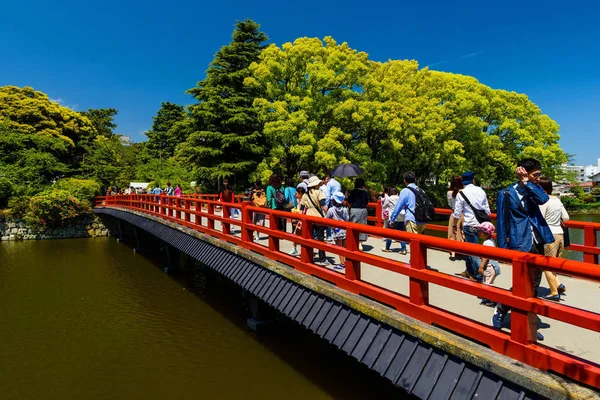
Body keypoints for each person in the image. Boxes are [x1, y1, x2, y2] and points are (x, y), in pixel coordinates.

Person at [491, 158, 554, 341]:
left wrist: (528, 182)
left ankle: (530, 322)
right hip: (519, 242)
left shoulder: (534, 189)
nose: (538, 178)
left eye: (539, 175)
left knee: (534, 284)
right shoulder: (505, 193)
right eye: (535, 175)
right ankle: (501, 310)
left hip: (537, 240)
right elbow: (502, 222)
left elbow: (544, 200)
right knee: (522, 283)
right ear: (523, 172)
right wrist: (503, 249)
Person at [453, 172, 491, 280]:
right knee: (469, 250)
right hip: (482, 225)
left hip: (470, 225)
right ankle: (469, 271)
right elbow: (487, 210)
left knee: (473, 251)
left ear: (463, 182)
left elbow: (457, 212)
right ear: (473, 180)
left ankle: (479, 275)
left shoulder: (462, 193)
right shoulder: (481, 191)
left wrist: (455, 226)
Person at [538, 178, 569, 300]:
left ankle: (554, 292)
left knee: (546, 264)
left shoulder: (544, 201)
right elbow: (566, 218)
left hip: (549, 234)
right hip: (560, 234)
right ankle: (558, 284)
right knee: (553, 263)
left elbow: (540, 219)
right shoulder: (558, 200)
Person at [390, 172, 429, 236]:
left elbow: (398, 206)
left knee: (413, 241)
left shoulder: (405, 191)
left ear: (404, 180)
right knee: (419, 242)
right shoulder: (421, 190)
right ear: (415, 180)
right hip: (423, 220)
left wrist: (392, 219)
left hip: (412, 219)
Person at [300, 176, 328, 262]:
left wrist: (300, 219)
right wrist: (328, 216)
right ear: (315, 184)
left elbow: (301, 208)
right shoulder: (319, 192)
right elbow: (323, 206)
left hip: (308, 217)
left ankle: (308, 256)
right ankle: (322, 258)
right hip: (318, 217)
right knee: (320, 238)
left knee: (309, 237)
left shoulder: (305, 194)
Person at [474, 222, 502, 306]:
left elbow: (486, 256)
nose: (478, 232)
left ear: (484, 233)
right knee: (489, 282)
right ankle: (489, 298)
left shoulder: (487, 243)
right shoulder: (491, 241)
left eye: (480, 231)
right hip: (493, 266)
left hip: (490, 266)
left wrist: (481, 267)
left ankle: (491, 300)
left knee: (487, 283)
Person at [326, 191, 349, 269]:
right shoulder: (345, 209)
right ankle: (346, 262)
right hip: (344, 230)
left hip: (336, 230)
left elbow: (327, 219)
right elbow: (347, 219)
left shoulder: (331, 210)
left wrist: (331, 226)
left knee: (339, 248)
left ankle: (342, 263)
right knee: (345, 247)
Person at [382, 188, 408, 254]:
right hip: (402, 217)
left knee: (389, 233)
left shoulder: (389, 198)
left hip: (393, 218)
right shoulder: (400, 198)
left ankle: (387, 247)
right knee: (401, 233)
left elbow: (384, 207)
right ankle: (403, 249)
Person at [347, 178, 369, 251]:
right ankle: (360, 244)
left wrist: (347, 196)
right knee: (362, 226)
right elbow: (366, 202)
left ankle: (353, 241)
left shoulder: (353, 191)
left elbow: (349, 201)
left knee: (353, 225)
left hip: (355, 209)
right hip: (363, 210)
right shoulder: (365, 192)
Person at [447, 176, 465, 260]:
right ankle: (462, 251)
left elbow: (450, 205)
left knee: (452, 233)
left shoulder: (449, 193)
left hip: (454, 214)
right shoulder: (464, 191)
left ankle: (453, 253)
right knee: (462, 233)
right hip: (464, 214)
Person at [289, 186, 306, 256]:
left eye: (296, 194)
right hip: (299, 219)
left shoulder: (304, 201)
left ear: (300, 193)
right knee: (296, 233)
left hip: (302, 219)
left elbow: (303, 211)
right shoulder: (299, 200)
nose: (295, 195)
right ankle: (294, 248)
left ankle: (298, 249)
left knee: (301, 235)